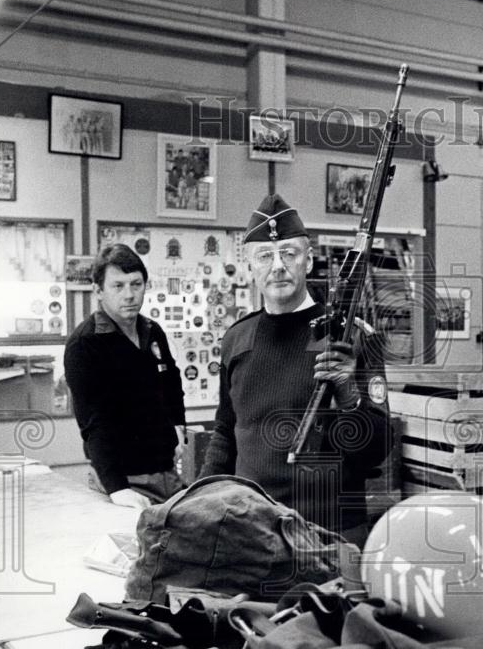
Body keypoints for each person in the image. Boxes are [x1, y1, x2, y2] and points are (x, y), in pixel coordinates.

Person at [198, 193, 390, 546]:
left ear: (309, 259)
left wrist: (348, 394)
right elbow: (225, 432)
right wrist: (196, 502)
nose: (278, 265)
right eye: (265, 256)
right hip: (253, 529)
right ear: (250, 266)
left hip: (332, 533)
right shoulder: (237, 339)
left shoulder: (351, 337)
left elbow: (378, 449)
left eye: (289, 253)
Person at [64, 244, 187, 509]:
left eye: (136, 284)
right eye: (118, 286)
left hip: (165, 472)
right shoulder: (85, 343)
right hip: (123, 481)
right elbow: (93, 423)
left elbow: (172, 382)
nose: (129, 295)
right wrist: (117, 488)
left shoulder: (152, 331)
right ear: (98, 291)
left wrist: (179, 425)